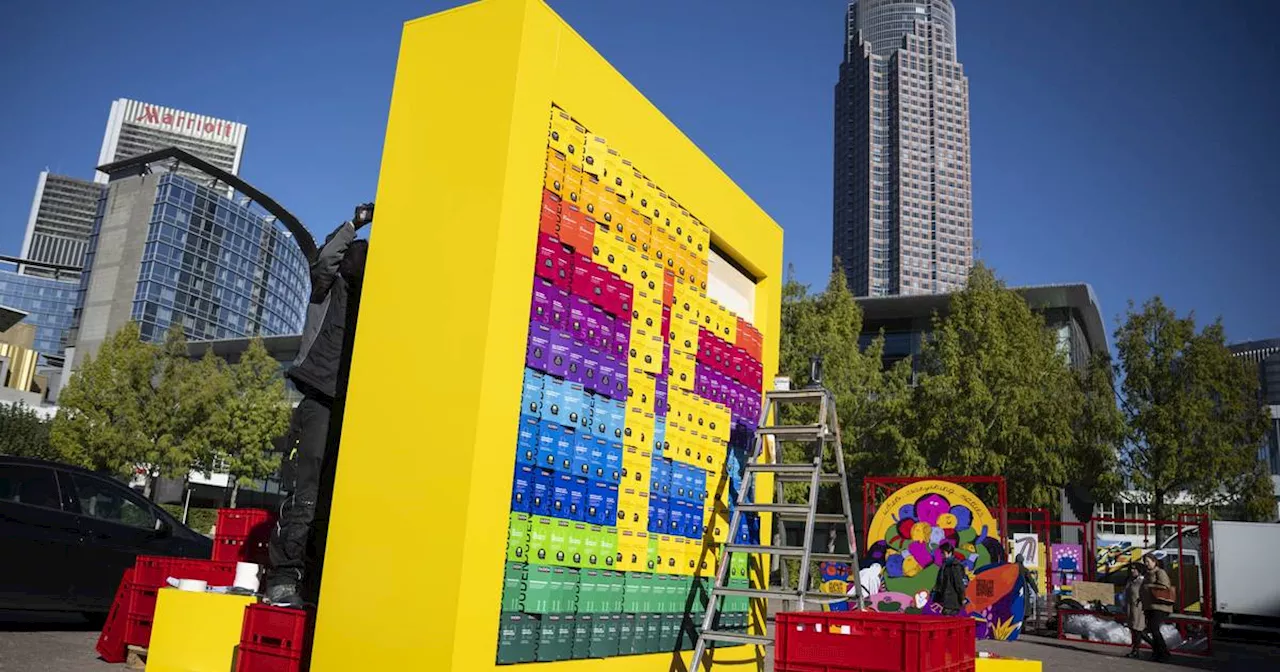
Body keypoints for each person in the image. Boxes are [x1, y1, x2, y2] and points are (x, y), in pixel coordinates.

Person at [264, 204, 373, 608]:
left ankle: (317, 582)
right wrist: (355, 223)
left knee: (334, 497)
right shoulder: (325, 289)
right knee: (306, 493)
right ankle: (285, 577)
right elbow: (325, 258)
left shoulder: (371, 304)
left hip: (352, 403)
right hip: (319, 398)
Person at [1141, 552, 1174, 662]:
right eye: (1144, 562)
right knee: (1149, 630)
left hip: (1160, 606)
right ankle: (1157, 652)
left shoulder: (1160, 572)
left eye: (1148, 562)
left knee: (1154, 629)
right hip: (1149, 606)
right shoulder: (1146, 574)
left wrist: (1148, 587)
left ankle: (1164, 653)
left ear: (1154, 561)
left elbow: (1165, 586)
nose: (1146, 564)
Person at [931, 543, 969, 616]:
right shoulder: (945, 565)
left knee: (948, 621)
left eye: (943, 553)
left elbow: (959, 583)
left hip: (953, 601)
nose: (942, 555)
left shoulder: (955, 566)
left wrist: (962, 598)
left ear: (950, 552)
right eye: (941, 553)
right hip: (946, 600)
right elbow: (940, 582)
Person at [1123, 562, 1147, 658]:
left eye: (1134, 569)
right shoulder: (1130, 580)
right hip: (1130, 608)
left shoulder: (1142, 581)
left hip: (1139, 609)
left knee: (1138, 630)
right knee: (1134, 629)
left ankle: (1136, 650)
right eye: (1131, 569)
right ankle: (1136, 649)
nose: (1132, 571)